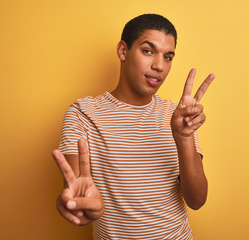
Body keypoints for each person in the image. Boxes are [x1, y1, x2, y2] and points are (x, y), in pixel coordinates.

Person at [52, 13, 215, 239]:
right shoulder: (83, 114)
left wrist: (184, 137)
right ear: (123, 51)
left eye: (168, 57)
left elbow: (197, 200)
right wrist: (81, 206)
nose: (159, 66)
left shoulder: (176, 115)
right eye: (148, 51)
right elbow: (78, 194)